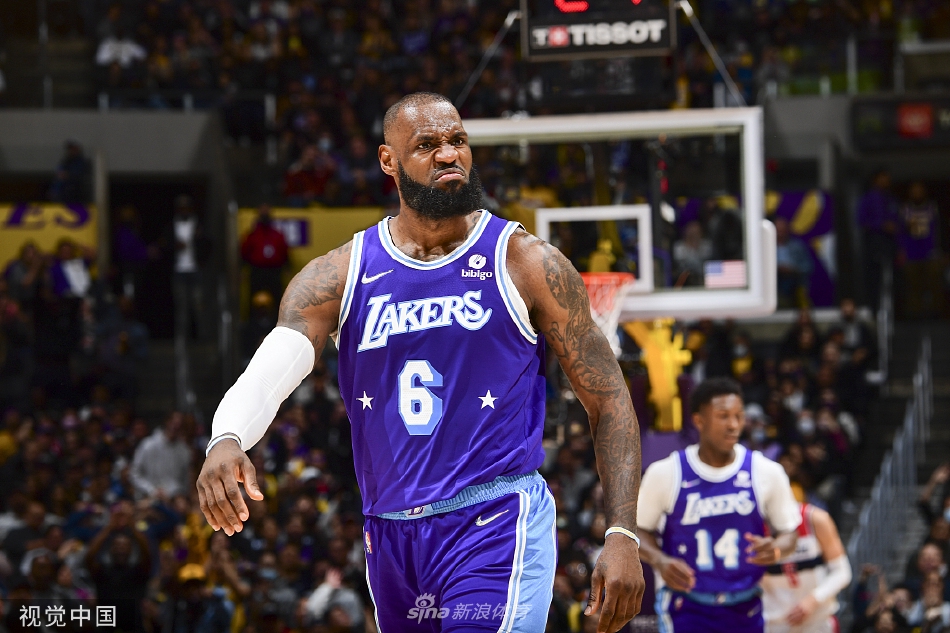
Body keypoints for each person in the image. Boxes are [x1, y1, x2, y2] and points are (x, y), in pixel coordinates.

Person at [197, 92, 645, 632]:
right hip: (389, 537)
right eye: (427, 144)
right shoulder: (339, 274)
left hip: (494, 520)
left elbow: (609, 399)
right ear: (389, 161)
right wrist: (227, 437)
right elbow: (273, 368)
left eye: (457, 141)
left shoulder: (525, 262)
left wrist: (622, 532)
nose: (449, 154)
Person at [636, 377, 801, 633]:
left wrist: (777, 549)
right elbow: (636, 530)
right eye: (723, 416)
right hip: (685, 606)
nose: (734, 425)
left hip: (746, 605)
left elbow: (790, 533)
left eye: (739, 416)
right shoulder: (666, 472)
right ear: (699, 420)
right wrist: (659, 560)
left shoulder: (766, 471)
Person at [760, 502, 852, 633]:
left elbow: (842, 572)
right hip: (773, 625)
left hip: (818, 622)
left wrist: (814, 599)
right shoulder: (752, 527)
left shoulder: (815, 518)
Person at [857, 170, 899, 311]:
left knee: (892, 281)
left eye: (887, 179)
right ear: (875, 180)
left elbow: (897, 222)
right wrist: (881, 225)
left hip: (890, 245)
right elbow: (861, 221)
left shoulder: (891, 199)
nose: (885, 182)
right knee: (874, 280)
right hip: (873, 244)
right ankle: (874, 310)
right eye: (882, 178)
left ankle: (892, 311)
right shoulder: (867, 199)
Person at [241, 204, 289, 305]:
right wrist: (243, 269)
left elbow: (284, 252)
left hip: (274, 271)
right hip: (257, 271)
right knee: (254, 300)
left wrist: (287, 268)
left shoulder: (277, 234)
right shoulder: (252, 235)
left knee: (277, 300)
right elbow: (245, 252)